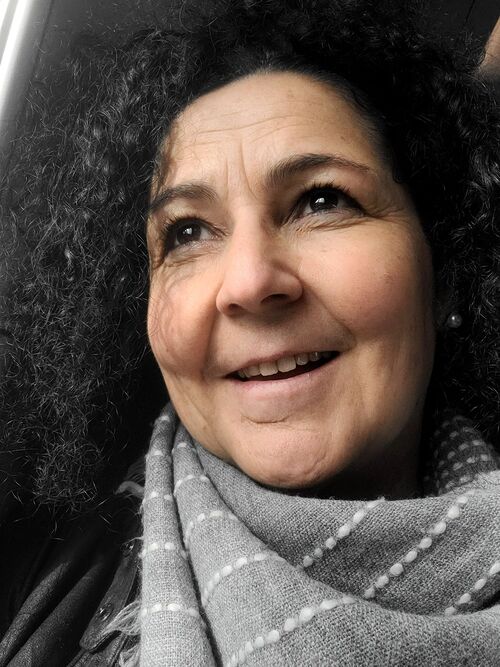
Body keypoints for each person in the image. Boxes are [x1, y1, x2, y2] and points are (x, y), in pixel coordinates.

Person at [0, 0, 499, 665]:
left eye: (322, 199)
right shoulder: (38, 556)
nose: (248, 281)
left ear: (446, 275)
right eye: (187, 232)